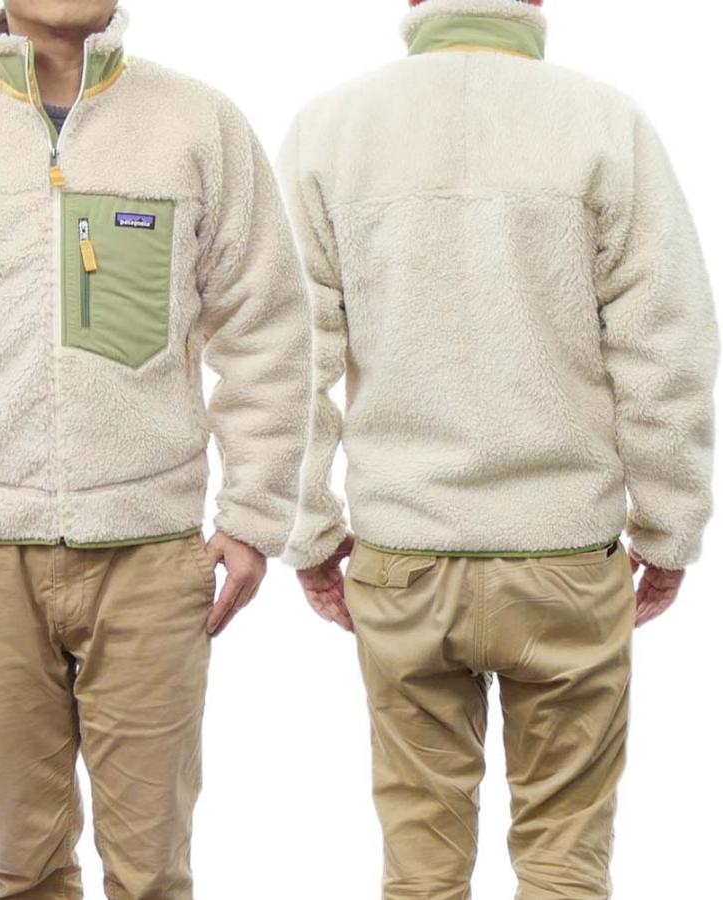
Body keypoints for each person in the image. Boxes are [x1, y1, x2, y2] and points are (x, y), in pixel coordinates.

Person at [0, 2, 310, 897]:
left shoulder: (198, 123)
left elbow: (267, 325)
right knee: (25, 864)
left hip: (151, 553)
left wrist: (253, 514)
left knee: (152, 871)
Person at [281, 0, 718, 896]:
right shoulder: (604, 122)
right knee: (565, 860)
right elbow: (667, 347)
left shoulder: (332, 129)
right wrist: (669, 530)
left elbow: (289, 359)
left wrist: (310, 534)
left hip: (404, 560)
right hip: (565, 559)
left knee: (421, 867)